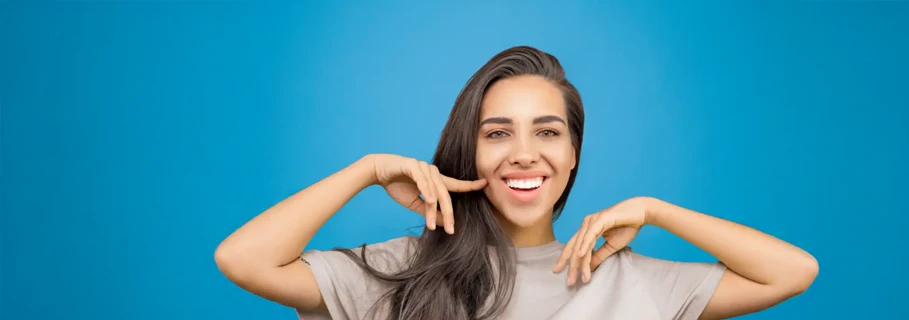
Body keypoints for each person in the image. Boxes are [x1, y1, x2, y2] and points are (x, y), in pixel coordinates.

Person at [214, 46, 819, 320]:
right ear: (469, 151)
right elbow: (242, 260)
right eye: (498, 134)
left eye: (548, 133)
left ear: (573, 154)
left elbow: (793, 272)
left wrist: (656, 211)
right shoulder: (400, 275)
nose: (524, 155)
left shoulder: (634, 283)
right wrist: (366, 172)